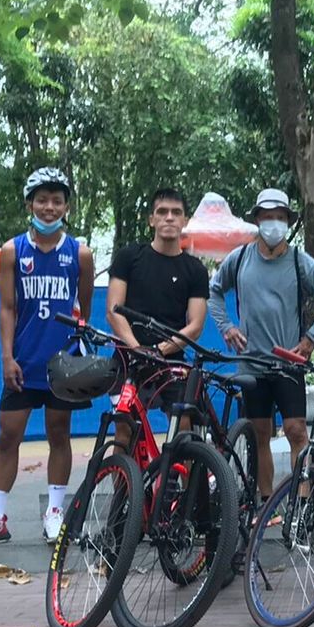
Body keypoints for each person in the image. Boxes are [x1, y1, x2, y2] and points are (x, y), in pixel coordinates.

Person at [0, 170, 95, 549]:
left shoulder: (80, 254)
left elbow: (83, 311)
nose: (49, 207)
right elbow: (7, 307)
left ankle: (55, 513)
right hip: (23, 361)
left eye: (57, 201)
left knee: (59, 434)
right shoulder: (13, 251)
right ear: (30, 204)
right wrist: (6, 356)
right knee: (8, 436)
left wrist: (75, 353)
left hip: (62, 362)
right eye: (42, 200)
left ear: (66, 207)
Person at [208, 188, 314, 498]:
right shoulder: (239, 258)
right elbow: (214, 291)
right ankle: (266, 502)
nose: (273, 223)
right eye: (267, 217)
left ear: (288, 222)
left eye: (280, 217)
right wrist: (226, 327)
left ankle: (302, 502)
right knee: (259, 435)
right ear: (257, 220)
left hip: (288, 363)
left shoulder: (300, 261)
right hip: (251, 363)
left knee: (297, 431)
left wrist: (311, 339)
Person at [104, 187, 211, 450]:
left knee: (184, 428)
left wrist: (160, 350)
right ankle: (124, 478)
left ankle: (183, 477)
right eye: (162, 212)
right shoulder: (129, 257)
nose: (169, 218)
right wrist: (137, 348)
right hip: (128, 359)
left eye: (176, 212)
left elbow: (195, 325)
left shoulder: (195, 270)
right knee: (123, 429)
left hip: (171, 362)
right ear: (151, 219)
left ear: (185, 220)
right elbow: (113, 311)